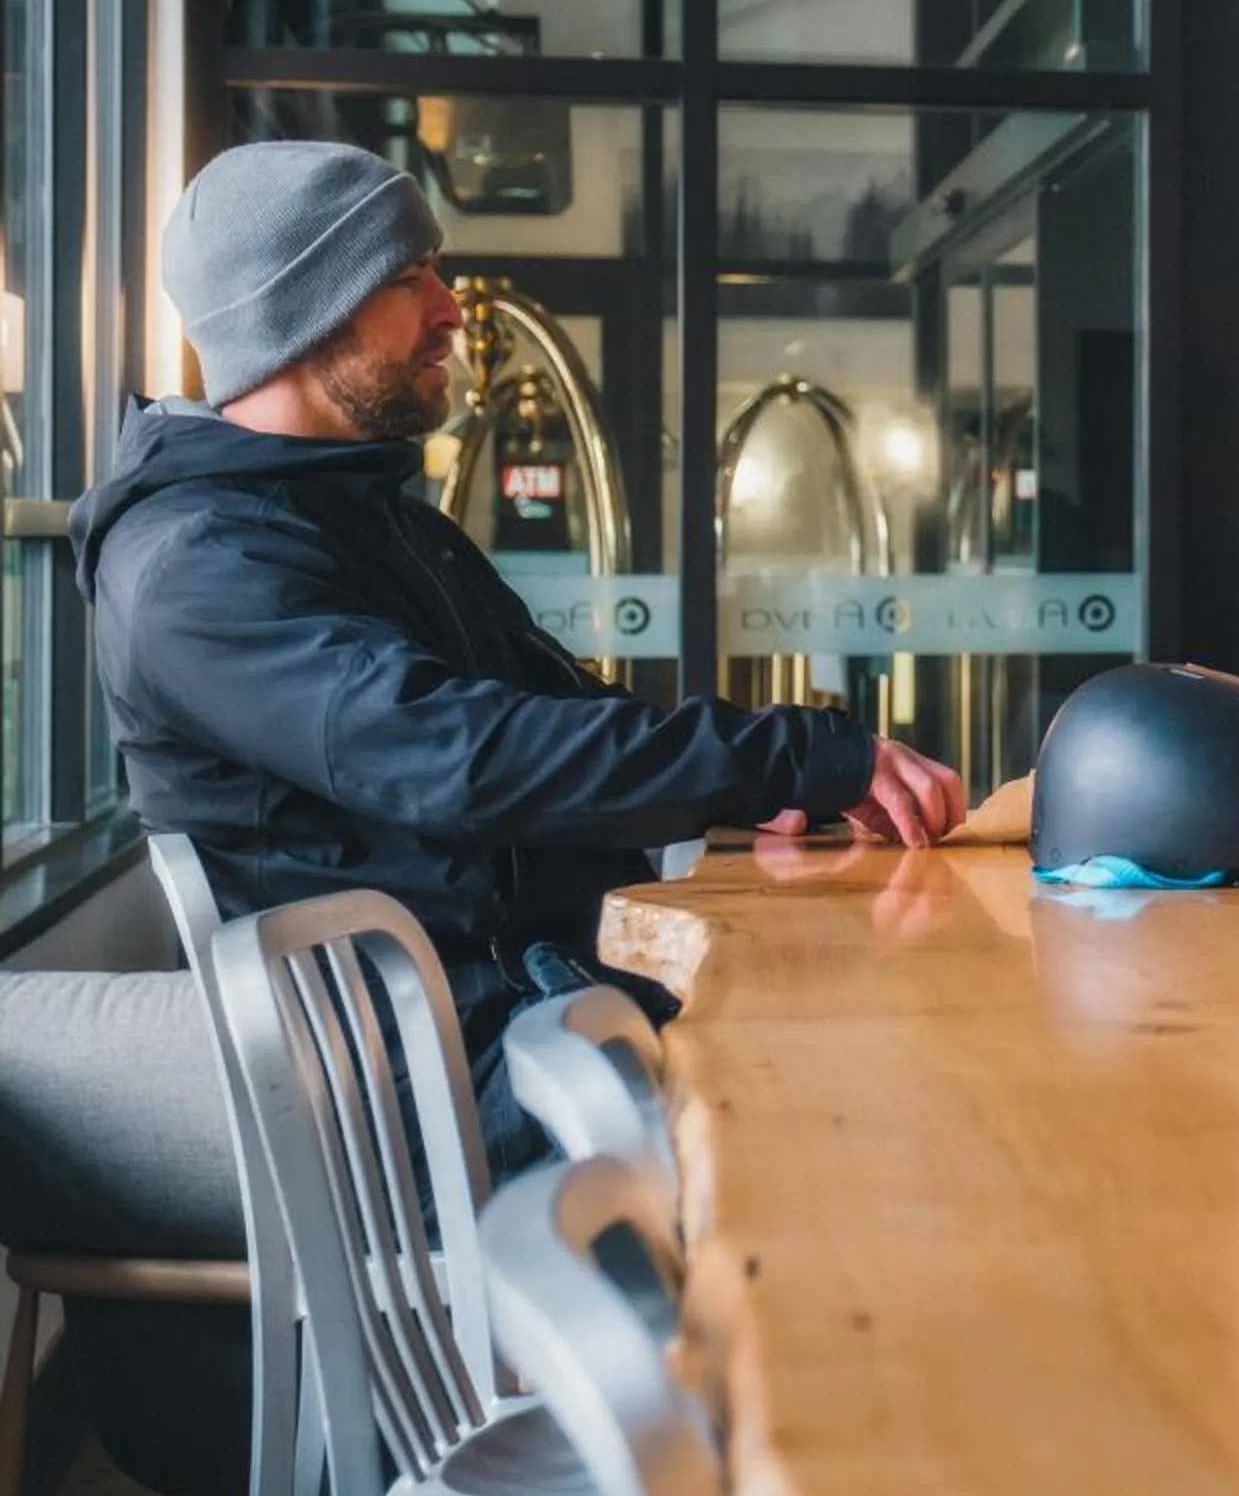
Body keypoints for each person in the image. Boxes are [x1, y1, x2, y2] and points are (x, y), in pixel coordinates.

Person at [70, 142, 967, 1166]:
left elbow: (563, 713)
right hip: (431, 1078)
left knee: (876, 1035)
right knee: (865, 1101)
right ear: (301, 315)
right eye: (409, 278)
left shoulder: (375, 524)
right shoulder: (196, 569)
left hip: (526, 1003)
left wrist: (760, 787)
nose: (450, 309)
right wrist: (790, 756)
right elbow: (468, 758)